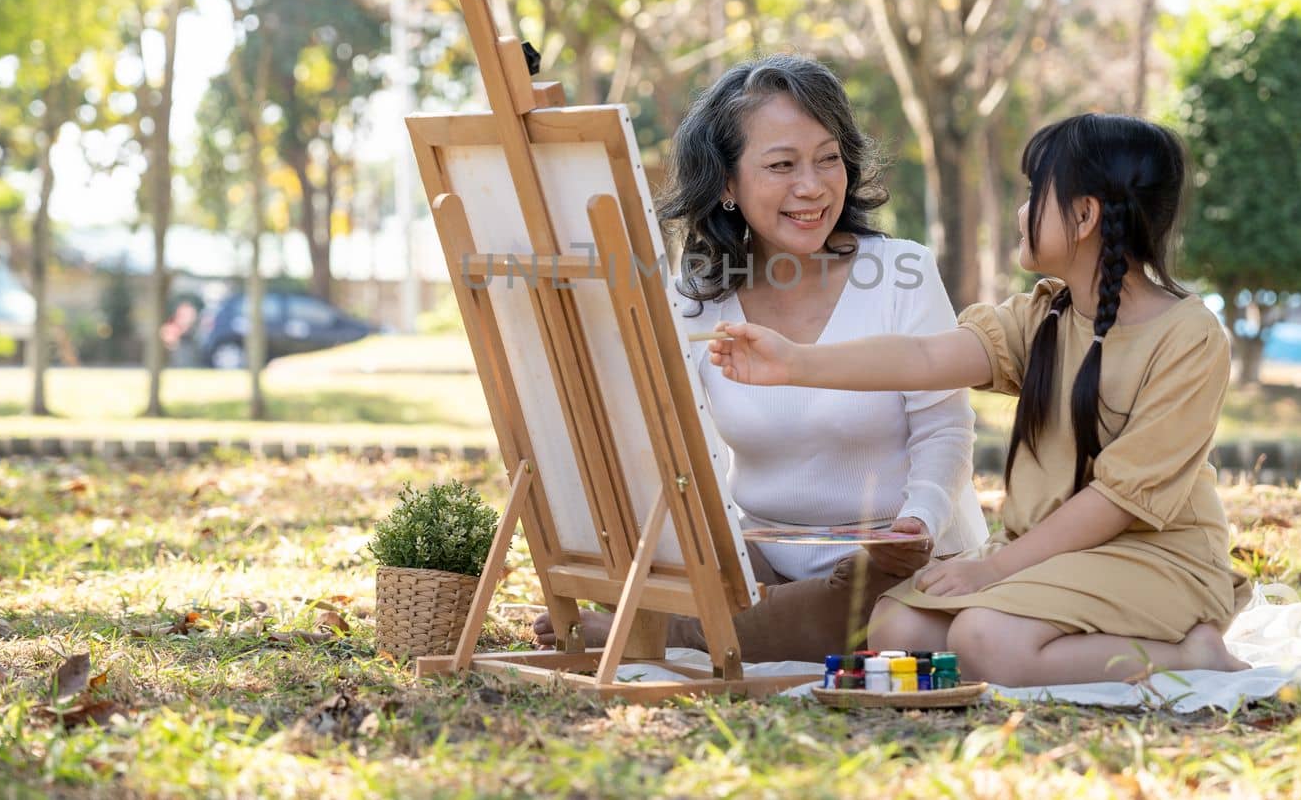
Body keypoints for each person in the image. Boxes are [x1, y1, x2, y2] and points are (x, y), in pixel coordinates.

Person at [708, 113, 1252, 685]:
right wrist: (796, 362)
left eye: (1035, 194)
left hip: (1155, 557)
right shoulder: (1043, 316)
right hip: (1053, 556)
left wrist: (993, 570)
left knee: (984, 638)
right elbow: (922, 359)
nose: (1020, 213)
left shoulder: (1190, 336)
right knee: (895, 628)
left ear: (1086, 215)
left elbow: (1119, 499)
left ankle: (1193, 655)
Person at [534, 54, 988, 661]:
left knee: (877, 616)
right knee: (712, 565)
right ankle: (724, 619)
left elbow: (946, 423)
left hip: (894, 564)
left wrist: (921, 519)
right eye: (781, 165)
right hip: (766, 560)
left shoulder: (899, 271)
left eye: (829, 159)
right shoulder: (697, 298)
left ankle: (682, 630)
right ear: (726, 183)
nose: (813, 186)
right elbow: (670, 451)